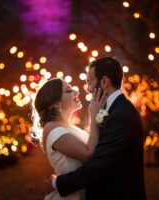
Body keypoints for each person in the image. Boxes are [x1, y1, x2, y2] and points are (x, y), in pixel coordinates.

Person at [50, 57, 147, 199]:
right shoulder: (112, 109)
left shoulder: (122, 115)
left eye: (89, 82)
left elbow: (99, 165)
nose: (88, 89)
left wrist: (57, 184)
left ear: (104, 82)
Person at [33, 78, 107, 200]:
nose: (76, 92)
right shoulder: (51, 128)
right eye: (68, 90)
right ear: (56, 104)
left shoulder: (72, 128)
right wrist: (94, 114)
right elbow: (89, 154)